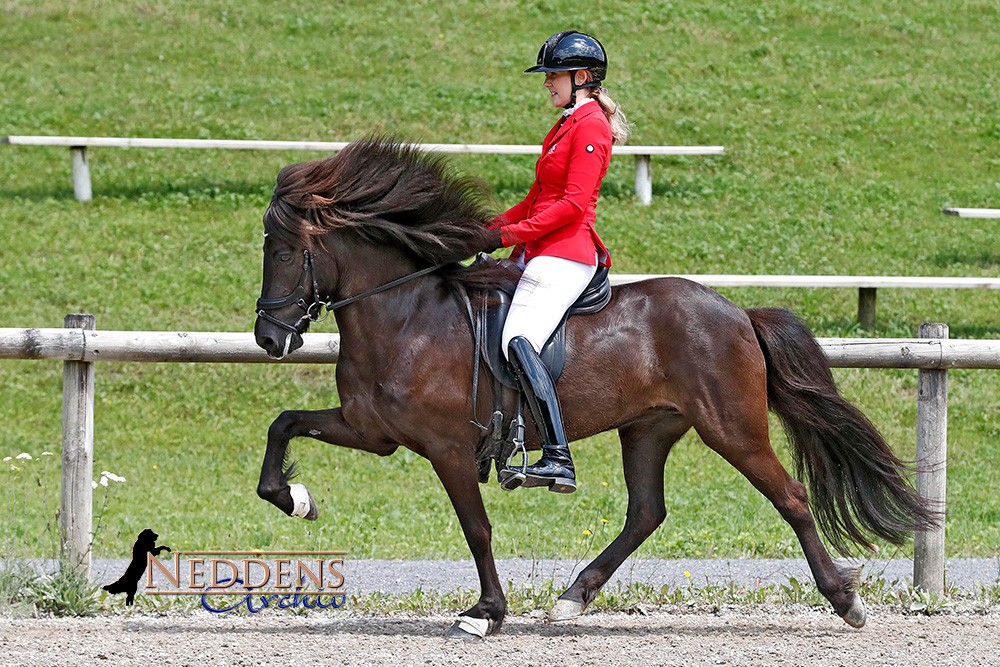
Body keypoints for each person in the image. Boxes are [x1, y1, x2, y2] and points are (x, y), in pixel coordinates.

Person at [484, 30, 632, 493]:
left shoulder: (590, 126)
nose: (547, 84)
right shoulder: (566, 123)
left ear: (582, 78)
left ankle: (557, 457)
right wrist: (482, 229)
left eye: (554, 76)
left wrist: (511, 234)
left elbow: (571, 206)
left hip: (567, 254)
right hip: (541, 247)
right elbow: (535, 200)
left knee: (517, 337)